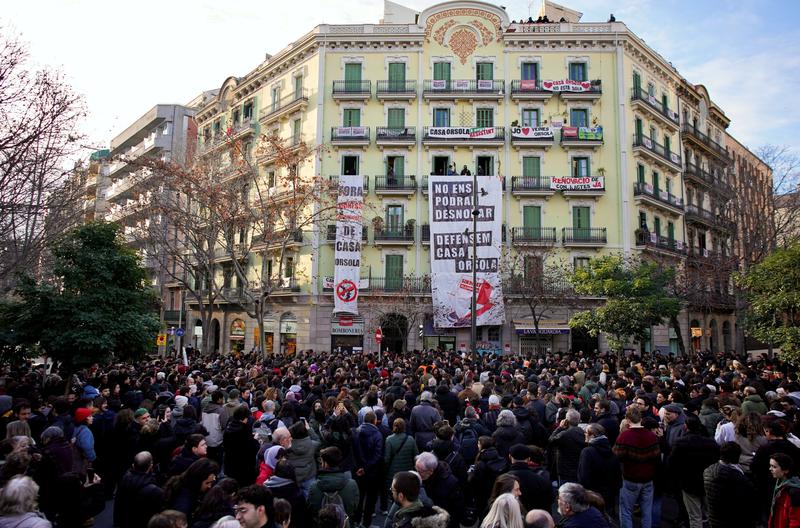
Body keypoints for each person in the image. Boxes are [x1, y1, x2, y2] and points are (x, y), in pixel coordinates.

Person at [667, 414, 719, 528]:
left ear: (686, 426)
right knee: (711, 514)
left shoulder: (681, 442)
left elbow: (672, 463)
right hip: (707, 481)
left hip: (688, 483)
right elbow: (716, 461)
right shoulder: (711, 442)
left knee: (694, 516)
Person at [613, 405, 660, 528]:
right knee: (647, 511)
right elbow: (656, 457)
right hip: (648, 479)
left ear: (628, 420)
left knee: (626, 511)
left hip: (630, 478)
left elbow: (616, 457)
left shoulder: (624, 436)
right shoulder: (651, 436)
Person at [703, 442, 757, 528]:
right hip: (731, 520)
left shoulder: (708, 471)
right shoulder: (736, 477)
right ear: (737, 457)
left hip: (714, 518)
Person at [114, 451, 166, 528]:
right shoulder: (155, 491)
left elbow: (118, 503)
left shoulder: (124, 479)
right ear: (151, 466)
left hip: (126, 522)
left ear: (133, 465)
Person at [577, 423, 621, 514]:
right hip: (609, 496)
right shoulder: (612, 452)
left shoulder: (587, 452)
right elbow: (617, 477)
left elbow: (583, 477)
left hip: (592, 497)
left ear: (592, 435)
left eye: (586, 432)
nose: (584, 434)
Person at [308, 446, 359, 520]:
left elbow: (311, 509)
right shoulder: (352, 485)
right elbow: (354, 507)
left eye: (321, 461)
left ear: (325, 464)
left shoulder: (314, 487)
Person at [164, 458, 219, 523]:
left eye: (211, 482)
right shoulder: (184, 504)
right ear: (197, 480)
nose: (209, 486)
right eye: (207, 483)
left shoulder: (181, 483)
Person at [415, 451, 463, 528]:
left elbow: (457, 509)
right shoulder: (422, 479)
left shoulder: (451, 482)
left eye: (420, 471)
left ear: (430, 471)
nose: (417, 474)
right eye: (416, 469)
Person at [506, 444, 552, 513]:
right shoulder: (541, 478)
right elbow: (550, 499)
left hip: (513, 517)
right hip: (536, 517)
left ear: (510, 456)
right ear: (528, 459)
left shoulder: (504, 479)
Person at [222, 404, 259, 486]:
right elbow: (251, 448)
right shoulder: (243, 430)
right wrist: (255, 440)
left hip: (230, 463)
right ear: (243, 418)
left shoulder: (230, 423)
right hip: (243, 466)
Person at [384, 418, 419, 503]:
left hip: (393, 471)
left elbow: (387, 459)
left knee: (395, 493)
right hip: (407, 470)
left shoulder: (389, 439)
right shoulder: (410, 439)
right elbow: (416, 455)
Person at [548, 408, 585, 484]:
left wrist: (559, 428)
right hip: (578, 468)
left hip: (565, 471)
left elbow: (551, 440)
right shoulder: (583, 433)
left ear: (566, 421)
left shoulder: (564, 434)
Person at [769, 452, 800, 528]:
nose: (770, 469)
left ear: (785, 470)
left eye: (774, 467)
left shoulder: (794, 492)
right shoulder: (779, 483)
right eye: (770, 466)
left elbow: (795, 520)